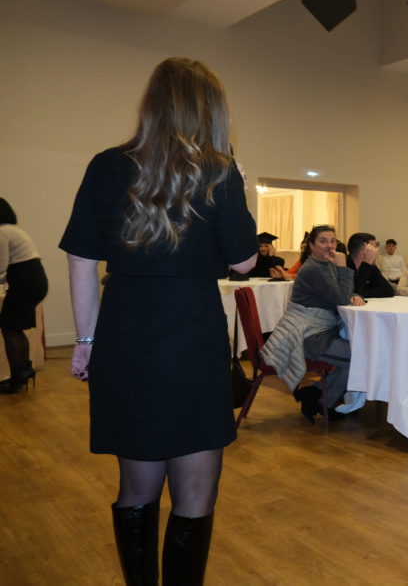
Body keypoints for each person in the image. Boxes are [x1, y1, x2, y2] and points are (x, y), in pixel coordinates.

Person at [59, 58, 258, 584]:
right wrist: (241, 183)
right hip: (192, 340)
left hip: (126, 338)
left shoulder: (105, 164)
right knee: (195, 495)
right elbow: (243, 261)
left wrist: (84, 340)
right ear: (210, 110)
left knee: (136, 487)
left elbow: (81, 257)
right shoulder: (220, 169)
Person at [262, 225, 354, 423]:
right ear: (311, 245)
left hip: (320, 332)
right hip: (310, 337)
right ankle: (321, 398)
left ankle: (315, 394)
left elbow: (340, 293)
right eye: (323, 241)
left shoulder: (325, 265)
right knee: (359, 358)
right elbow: (340, 297)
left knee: (360, 357)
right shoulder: (314, 269)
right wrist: (343, 267)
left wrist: (354, 295)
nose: (330, 246)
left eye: (333, 241)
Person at [0, 198, 48, 394]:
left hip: (24, 283)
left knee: (9, 328)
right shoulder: (14, 229)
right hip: (33, 282)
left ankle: (17, 377)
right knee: (15, 328)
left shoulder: (2, 232)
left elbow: (1, 268)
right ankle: (23, 373)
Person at [346, 232, 394, 303]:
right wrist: (366, 262)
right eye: (373, 248)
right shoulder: (344, 266)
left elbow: (388, 290)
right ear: (363, 252)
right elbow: (354, 294)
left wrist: (362, 294)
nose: (376, 252)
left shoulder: (371, 267)